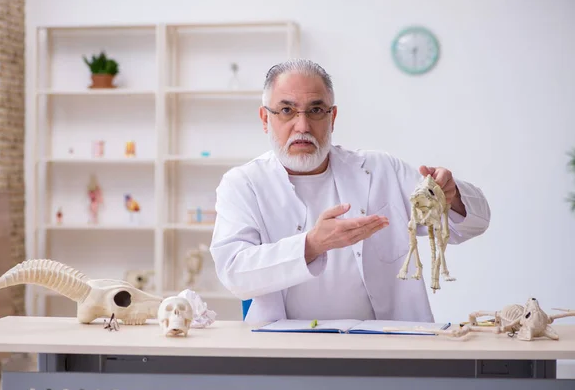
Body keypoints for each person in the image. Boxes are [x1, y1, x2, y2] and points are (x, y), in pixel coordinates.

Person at [210, 59, 491, 323]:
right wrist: (312, 245)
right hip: (286, 352)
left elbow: (467, 227)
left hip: (385, 350)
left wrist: (452, 197)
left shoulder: (382, 170)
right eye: (286, 110)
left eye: (316, 110)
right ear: (264, 118)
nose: (303, 125)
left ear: (332, 117)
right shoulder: (243, 184)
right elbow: (234, 273)